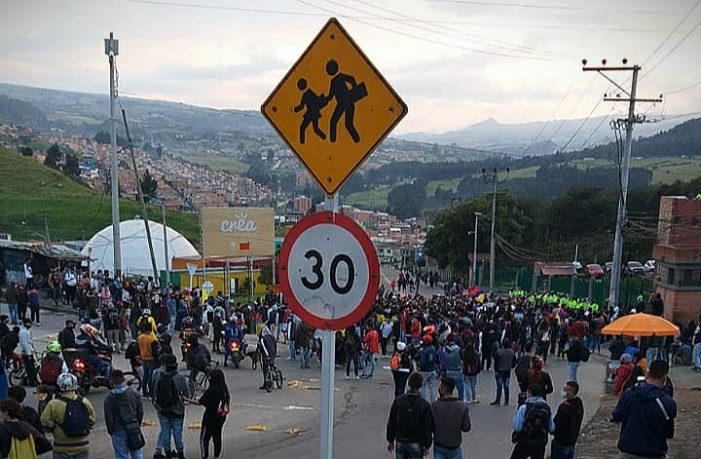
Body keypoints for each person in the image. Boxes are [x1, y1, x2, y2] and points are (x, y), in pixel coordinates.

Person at [612, 360, 677, 459]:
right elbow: (669, 433)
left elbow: (617, 416)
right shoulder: (667, 403)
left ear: (648, 374)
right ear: (665, 378)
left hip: (628, 451)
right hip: (654, 453)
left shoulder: (629, 394)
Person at [41, 372, 96, 459]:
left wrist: (54, 426)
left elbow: (44, 422)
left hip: (62, 447)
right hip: (82, 445)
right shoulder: (85, 401)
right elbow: (92, 420)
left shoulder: (53, 404)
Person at [386, 372, 434, 459]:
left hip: (401, 439)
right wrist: (427, 444)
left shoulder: (399, 400)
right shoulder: (424, 404)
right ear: (420, 385)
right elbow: (427, 427)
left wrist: (390, 439)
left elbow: (392, 421)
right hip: (416, 441)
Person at [152, 354, 191, 459]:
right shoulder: (180, 377)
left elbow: (154, 392)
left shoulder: (158, 376)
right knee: (177, 433)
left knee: (165, 432)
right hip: (177, 410)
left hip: (162, 410)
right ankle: (181, 454)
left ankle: (168, 453)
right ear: (176, 364)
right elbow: (186, 393)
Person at [185, 368, 230, 459]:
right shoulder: (224, 390)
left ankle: (205, 456)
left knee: (204, 438)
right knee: (217, 437)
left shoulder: (212, 390)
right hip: (221, 417)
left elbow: (199, 402)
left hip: (210, 417)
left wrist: (186, 399)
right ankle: (216, 456)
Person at [104, 369, 145, 459]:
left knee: (121, 455)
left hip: (118, 429)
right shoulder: (134, 393)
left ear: (112, 382)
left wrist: (111, 430)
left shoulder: (109, 398)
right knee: (137, 452)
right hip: (133, 427)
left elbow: (109, 417)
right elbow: (140, 411)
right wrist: (137, 424)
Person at [510, 383, 555, 459]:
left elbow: (517, 427)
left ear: (530, 393)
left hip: (525, 441)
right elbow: (552, 428)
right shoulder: (547, 408)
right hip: (540, 442)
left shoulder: (524, 408)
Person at [431, 377, 471, 459]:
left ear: (443, 389)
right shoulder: (462, 406)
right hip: (454, 445)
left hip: (439, 445)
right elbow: (466, 427)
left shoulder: (435, 406)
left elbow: (430, 426)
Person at [551, 381, 584, 459]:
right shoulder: (579, 404)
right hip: (572, 441)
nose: (563, 391)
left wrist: (552, 430)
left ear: (571, 392)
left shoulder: (564, 408)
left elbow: (557, 425)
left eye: (565, 389)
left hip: (561, 442)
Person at [491, 338, 516, 406]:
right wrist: (511, 366)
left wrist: (496, 370)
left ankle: (498, 400)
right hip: (507, 370)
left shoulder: (499, 352)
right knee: (506, 385)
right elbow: (514, 361)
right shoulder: (512, 352)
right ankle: (506, 400)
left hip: (500, 370)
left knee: (499, 386)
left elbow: (496, 362)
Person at [137, 321, 158, 398]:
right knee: (150, 377)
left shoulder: (140, 338)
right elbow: (155, 352)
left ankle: (144, 391)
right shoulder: (152, 339)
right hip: (151, 359)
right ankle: (151, 392)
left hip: (143, 358)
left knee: (145, 376)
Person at [440, 335, 464, 401]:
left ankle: (448, 401)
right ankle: (460, 402)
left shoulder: (444, 350)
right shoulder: (459, 349)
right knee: (461, 389)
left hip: (448, 372)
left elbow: (442, 362)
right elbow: (462, 359)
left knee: (448, 389)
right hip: (458, 371)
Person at [417, 335, 438, 402]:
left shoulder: (424, 351)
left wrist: (419, 366)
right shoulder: (433, 348)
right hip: (432, 369)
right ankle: (433, 401)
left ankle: (423, 401)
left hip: (424, 370)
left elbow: (422, 362)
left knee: (422, 386)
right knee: (432, 387)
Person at [19, 318, 37, 386]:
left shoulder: (27, 331)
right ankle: (31, 382)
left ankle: (27, 381)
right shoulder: (23, 332)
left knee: (29, 368)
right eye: (29, 323)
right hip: (26, 353)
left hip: (29, 351)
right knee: (30, 368)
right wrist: (29, 354)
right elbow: (25, 344)